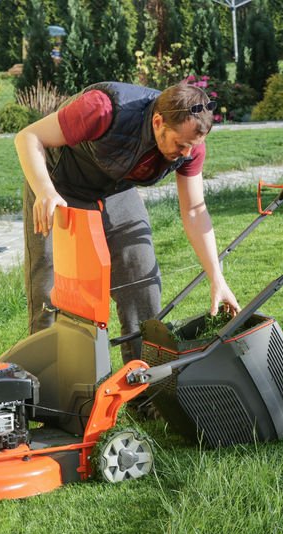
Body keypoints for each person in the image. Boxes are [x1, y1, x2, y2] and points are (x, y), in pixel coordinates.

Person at [14, 81, 239, 362]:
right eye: (180, 144)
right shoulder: (102, 109)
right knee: (51, 288)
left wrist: (217, 278)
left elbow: (194, 209)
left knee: (141, 279)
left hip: (114, 188)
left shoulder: (190, 147)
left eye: (191, 148)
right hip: (59, 183)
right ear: (158, 121)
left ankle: (143, 389)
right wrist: (45, 192)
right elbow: (27, 137)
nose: (186, 154)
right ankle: (45, 391)